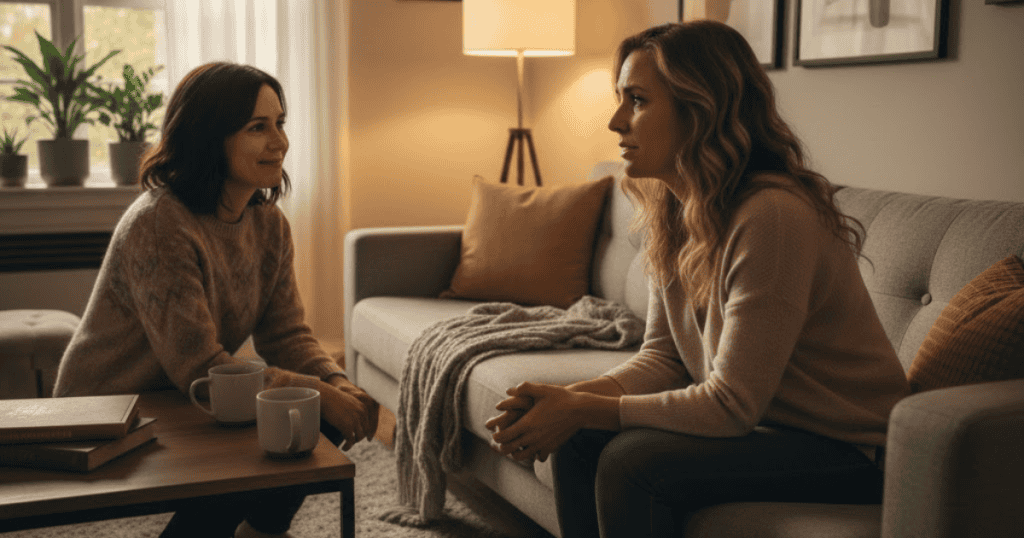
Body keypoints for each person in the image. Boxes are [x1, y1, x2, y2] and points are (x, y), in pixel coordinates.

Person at [484, 21, 911, 538]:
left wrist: (584, 406)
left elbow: (731, 405)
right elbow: (664, 359)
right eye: (621, 99)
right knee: (578, 436)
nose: (616, 121)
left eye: (637, 100)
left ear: (701, 109)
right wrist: (567, 401)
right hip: (769, 428)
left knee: (630, 461)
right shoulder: (675, 209)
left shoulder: (772, 216)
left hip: (850, 449)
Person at [53, 62, 379, 538]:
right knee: (294, 409)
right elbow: (201, 369)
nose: (280, 142)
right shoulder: (159, 223)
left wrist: (336, 382)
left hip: (184, 396)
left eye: (280, 123)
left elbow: (286, 335)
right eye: (257, 128)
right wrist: (319, 392)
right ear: (209, 138)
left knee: (314, 410)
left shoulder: (269, 224)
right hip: (111, 410)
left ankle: (260, 533)